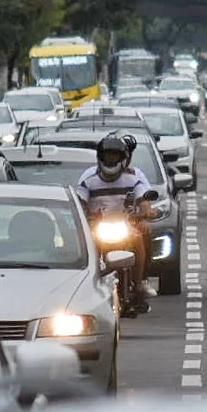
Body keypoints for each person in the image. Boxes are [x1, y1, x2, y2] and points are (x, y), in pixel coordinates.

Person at [75, 132, 155, 314]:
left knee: (138, 240)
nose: (111, 160)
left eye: (115, 156)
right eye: (107, 156)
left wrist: (146, 211)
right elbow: (80, 203)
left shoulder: (133, 180)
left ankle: (138, 285)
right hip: (97, 229)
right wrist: (86, 217)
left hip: (124, 226)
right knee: (86, 248)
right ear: (100, 157)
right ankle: (88, 284)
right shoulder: (89, 182)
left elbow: (143, 198)